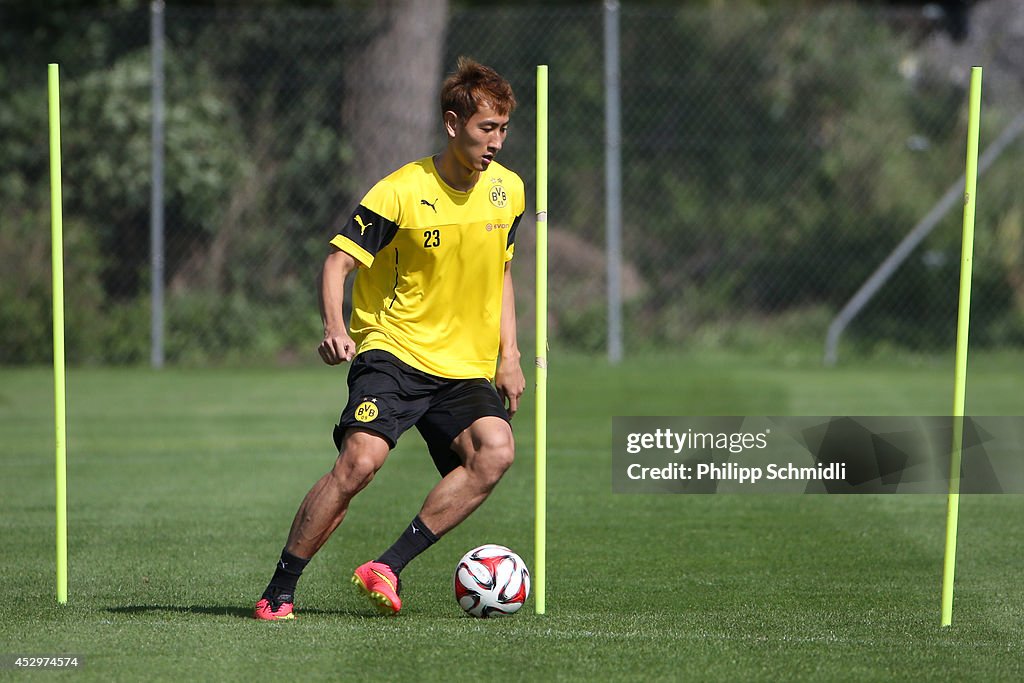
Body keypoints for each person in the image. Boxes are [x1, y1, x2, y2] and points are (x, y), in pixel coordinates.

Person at [254, 57, 526, 620]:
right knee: (360, 462)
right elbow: (336, 264)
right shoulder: (400, 191)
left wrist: (511, 356)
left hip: (462, 367)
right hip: (394, 351)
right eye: (485, 128)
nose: (496, 141)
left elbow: (501, 272)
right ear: (453, 124)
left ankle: (388, 566)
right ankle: (279, 590)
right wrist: (334, 327)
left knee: (495, 452)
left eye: (502, 129)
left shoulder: (509, 192)